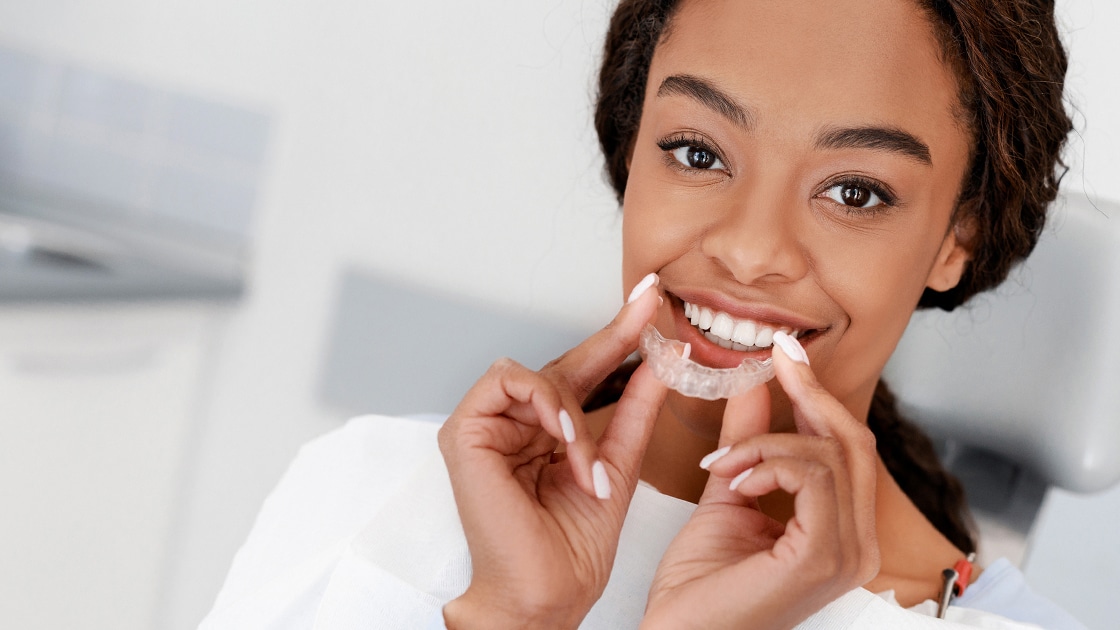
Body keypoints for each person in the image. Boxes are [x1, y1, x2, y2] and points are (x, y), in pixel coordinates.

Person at [202, 0, 1083, 628]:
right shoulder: (369, 496)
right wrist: (511, 617)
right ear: (633, 149)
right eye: (697, 151)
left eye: (854, 190)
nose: (747, 249)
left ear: (956, 237)